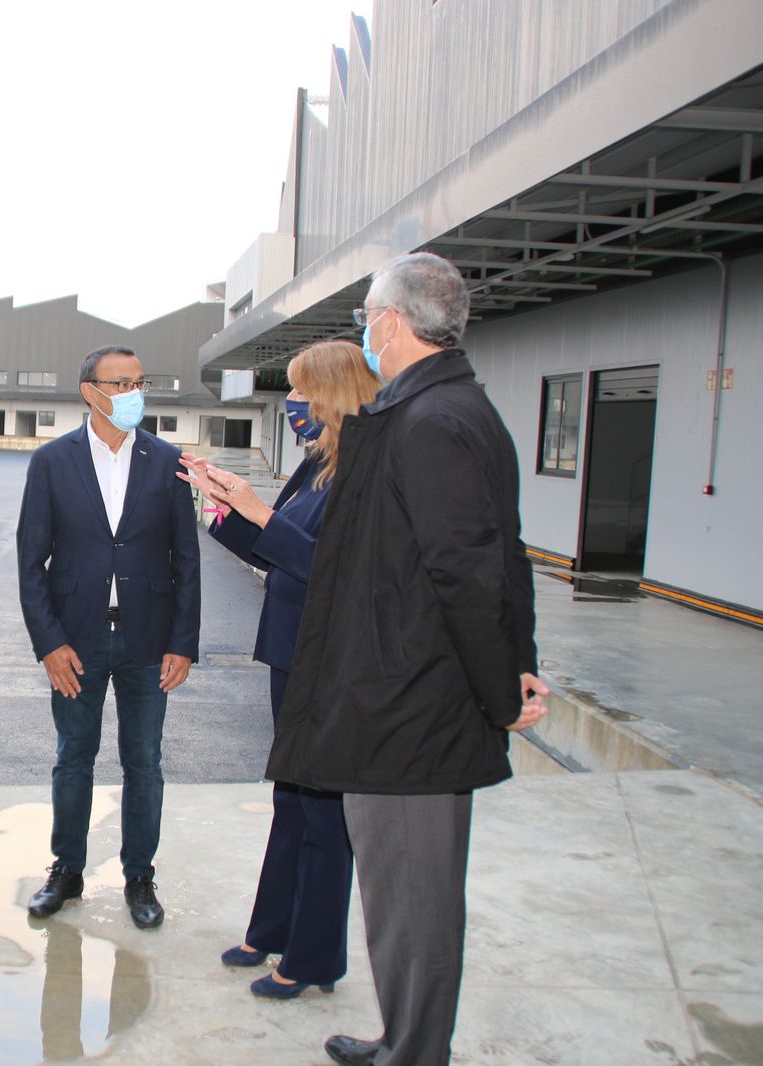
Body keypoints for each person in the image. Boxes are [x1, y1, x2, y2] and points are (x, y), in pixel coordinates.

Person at [265, 254, 549, 1066]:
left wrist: (502, 689)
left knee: (414, 899)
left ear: (391, 322)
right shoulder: (445, 409)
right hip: (408, 698)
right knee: (398, 896)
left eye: (365, 315)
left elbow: (469, 568)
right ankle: (405, 1038)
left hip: (415, 707)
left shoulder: (432, 423)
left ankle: (416, 1052)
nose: (363, 330)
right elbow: (506, 552)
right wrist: (517, 661)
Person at [177, 340, 380, 1001]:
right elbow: (276, 553)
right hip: (291, 652)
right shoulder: (318, 463)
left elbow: (334, 569)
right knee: (291, 799)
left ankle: (314, 956)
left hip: (329, 659)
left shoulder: (364, 471)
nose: (291, 404)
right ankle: (272, 930)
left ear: (333, 393)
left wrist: (257, 508)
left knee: (322, 811)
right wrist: (219, 503)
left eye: (300, 391)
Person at [15, 344, 200, 930]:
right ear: (88, 391)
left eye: (140, 382)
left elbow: (186, 562)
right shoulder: (52, 461)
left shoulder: (166, 460)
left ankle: (139, 877)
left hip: (148, 642)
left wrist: (183, 642)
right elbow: (30, 562)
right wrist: (49, 643)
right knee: (75, 758)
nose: (132, 394)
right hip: (76, 641)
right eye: (119, 384)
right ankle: (66, 870)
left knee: (144, 761)